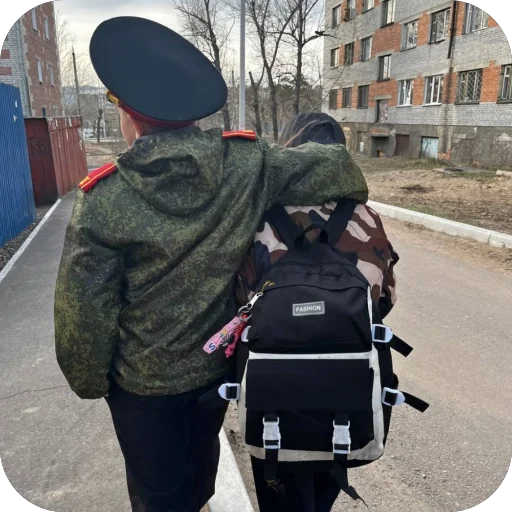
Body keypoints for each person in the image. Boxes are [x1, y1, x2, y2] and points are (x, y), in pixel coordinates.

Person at [54, 17, 369, 512]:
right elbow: (340, 168)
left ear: (129, 113)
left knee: (158, 495)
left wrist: (91, 382)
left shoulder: (103, 199)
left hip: (141, 389)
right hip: (213, 375)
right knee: (199, 477)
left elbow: (83, 317)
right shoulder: (246, 164)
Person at [235, 112, 399, 512]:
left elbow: (240, 301)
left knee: (278, 487)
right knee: (325, 483)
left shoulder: (260, 217)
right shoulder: (367, 218)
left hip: (272, 394)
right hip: (344, 391)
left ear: (288, 152)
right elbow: (384, 301)